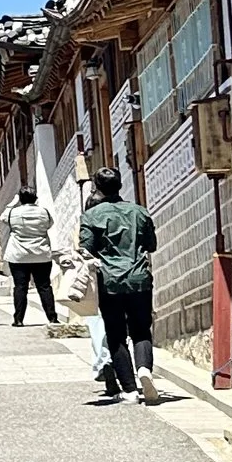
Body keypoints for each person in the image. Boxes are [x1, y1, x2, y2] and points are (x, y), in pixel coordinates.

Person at [78, 164, 160, 401]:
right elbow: (151, 245)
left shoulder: (91, 215)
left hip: (109, 280)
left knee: (115, 334)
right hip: (139, 279)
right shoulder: (139, 211)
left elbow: (86, 248)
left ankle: (130, 390)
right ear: (120, 185)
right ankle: (144, 369)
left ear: (97, 188)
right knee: (141, 330)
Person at [3, 184, 58, 326]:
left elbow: (3, 219)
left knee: (20, 287)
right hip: (41, 254)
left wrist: (12, 204)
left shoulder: (13, 213)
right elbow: (49, 224)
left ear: (20, 199)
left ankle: (18, 319)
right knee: (44, 286)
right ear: (35, 198)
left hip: (18, 255)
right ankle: (52, 317)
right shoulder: (43, 212)